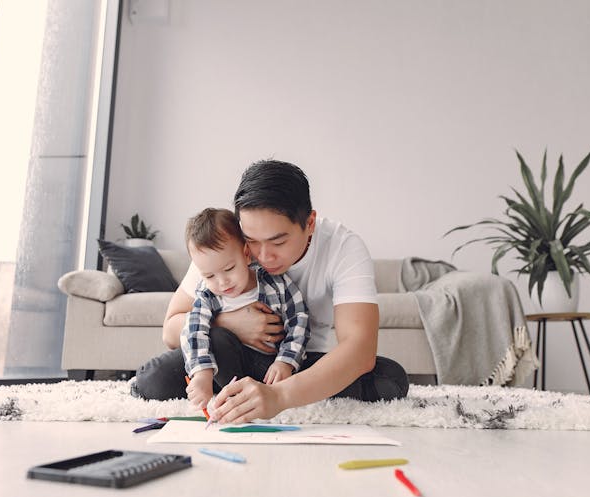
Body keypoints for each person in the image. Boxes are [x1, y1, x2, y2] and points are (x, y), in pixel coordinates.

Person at [133, 159, 409, 423]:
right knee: (153, 380)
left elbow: (359, 349)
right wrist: (231, 323)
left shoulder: (344, 248)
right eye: (252, 241)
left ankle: (251, 393)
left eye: (278, 241)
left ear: (309, 223)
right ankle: (237, 391)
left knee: (390, 379)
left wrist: (280, 397)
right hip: (228, 353)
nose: (263, 256)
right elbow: (170, 331)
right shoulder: (226, 243)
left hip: (296, 363)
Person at [180, 208, 310, 411]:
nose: (222, 282)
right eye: (210, 276)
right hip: (222, 365)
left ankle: (241, 395)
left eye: (229, 269)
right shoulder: (207, 294)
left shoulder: (274, 283)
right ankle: (221, 388)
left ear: (246, 254)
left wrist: (285, 362)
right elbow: (194, 330)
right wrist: (202, 374)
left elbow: (299, 320)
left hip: (267, 366)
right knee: (156, 378)